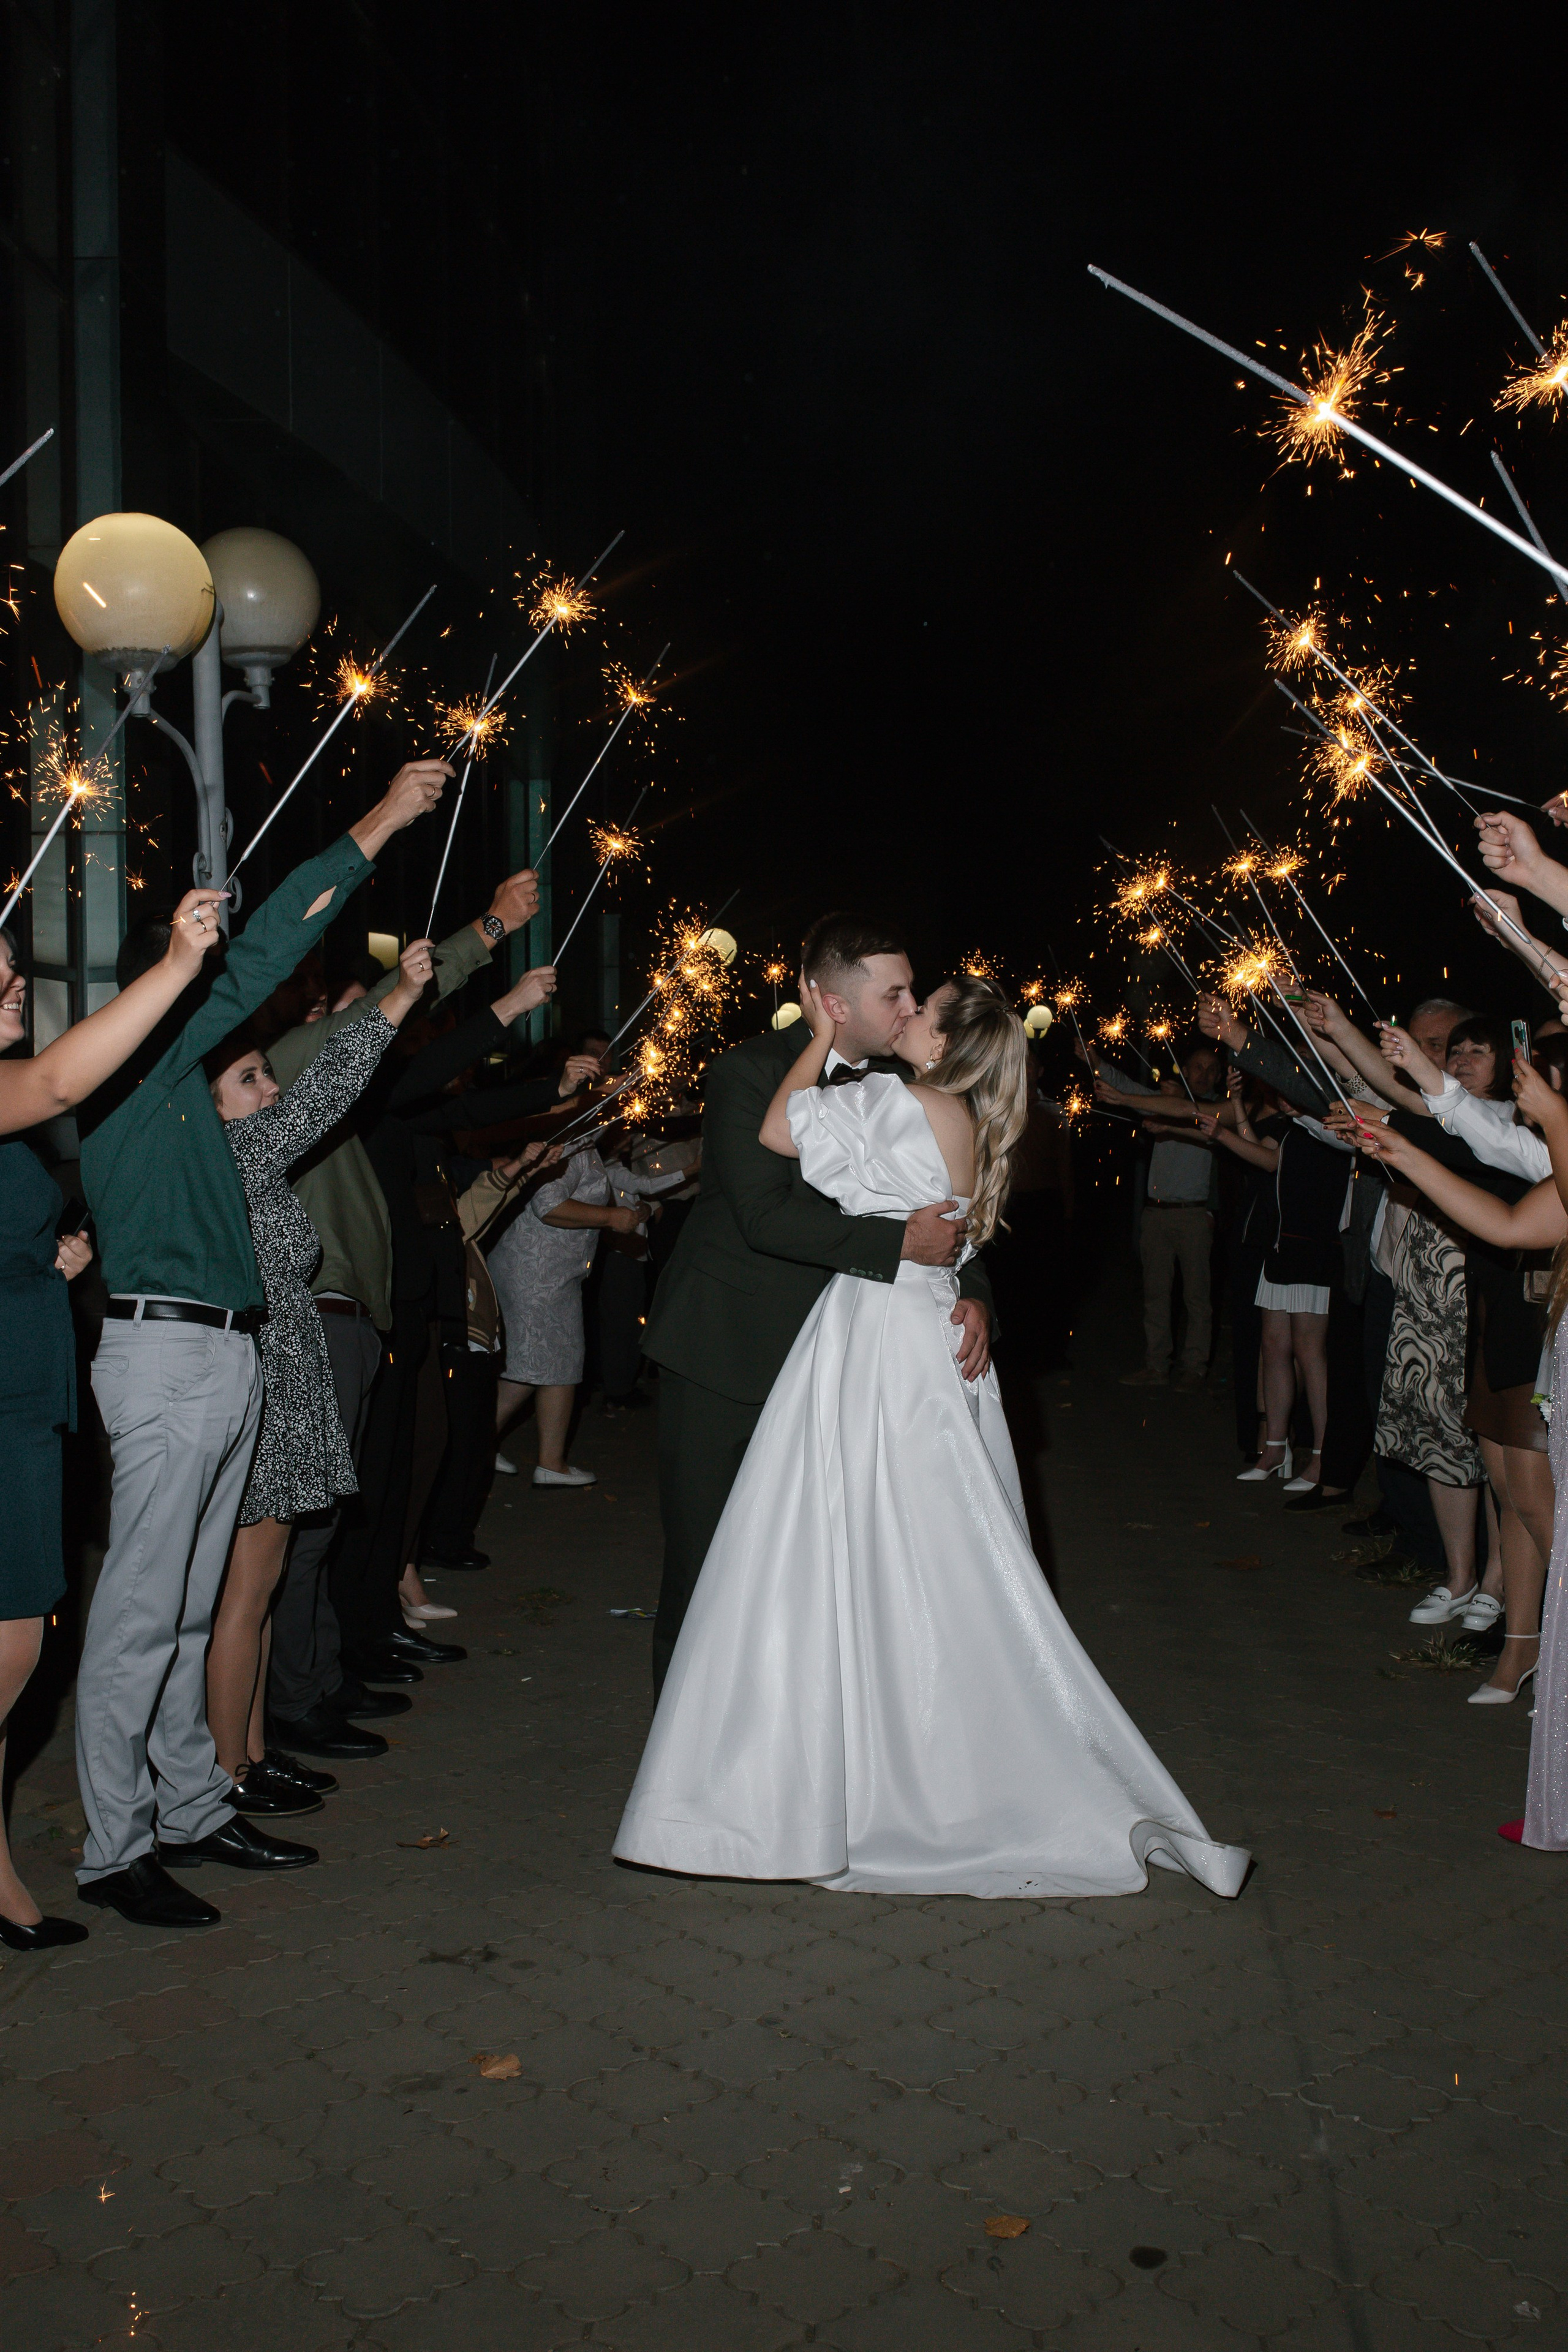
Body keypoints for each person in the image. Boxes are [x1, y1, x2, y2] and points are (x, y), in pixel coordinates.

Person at [615, 973, 1248, 1899]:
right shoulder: (965, 1114)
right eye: (901, 999)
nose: (906, 1013)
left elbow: (781, 1134)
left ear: (944, 1044)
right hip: (917, 1329)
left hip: (877, 1337)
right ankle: (925, 1753)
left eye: (922, 1008)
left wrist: (823, 1031)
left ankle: (854, 1774)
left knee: (848, 1544)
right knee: (929, 1548)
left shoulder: (900, 1099)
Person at [73, 758, 448, 1929]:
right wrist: (380, 822)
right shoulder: (134, 1072)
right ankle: (114, 1846)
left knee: (189, 1611)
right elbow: (267, 955)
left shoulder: (185, 1093)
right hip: (168, 1356)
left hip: (228, 1355)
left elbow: (293, 1065)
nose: (228, 1010)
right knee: (143, 1617)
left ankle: (192, 1807)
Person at [641, 914, 993, 1694]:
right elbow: (762, 1217)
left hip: (852, 1368)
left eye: (912, 992)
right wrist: (900, 1245)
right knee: (706, 1567)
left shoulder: (910, 1085)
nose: (910, 1008)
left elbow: (951, 1210)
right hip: (731, 1353)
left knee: (819, 1579)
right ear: (833, 1002)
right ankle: (684, 1744)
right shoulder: (746, 1072)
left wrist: (972, 1294)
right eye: (894, 994)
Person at [0, 891, 225, 1949]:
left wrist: (39, 1261)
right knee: (16, 1653)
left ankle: (4, 1878)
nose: (16, 985)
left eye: (16, 968)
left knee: (21, 1651)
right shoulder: (26, 1088)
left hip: (26, 1395)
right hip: (9, 1403)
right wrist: (177, 966)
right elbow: (60, 1079)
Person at [202, 940, 437, 1819]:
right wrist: (399, 998)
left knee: (264, 1589)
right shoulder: (237, 1156)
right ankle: (227, 1772)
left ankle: (256, 1750)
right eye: (252, 1080)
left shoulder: (254, 1163)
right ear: (212, 1107)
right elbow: (328, 1090)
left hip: (293, 1379)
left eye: (267, 1074)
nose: (271, 1090)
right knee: (246, 1592)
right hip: (273, 1381)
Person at [489, 1142, 649, 1485]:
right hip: (536, 1272)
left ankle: (545, 1461)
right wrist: (611, 1217)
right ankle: (479, 1447)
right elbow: (547, 1204)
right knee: (533, 1366)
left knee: (554, 1363)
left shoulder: (587, 1147)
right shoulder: (571, 1146)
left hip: (551, 1273)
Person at [1095, 1039, 1225, 1390]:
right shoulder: (1163, 1103)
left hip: (1194, 1214)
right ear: (1185, 1070)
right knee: (1156, 1295)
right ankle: (1156, 1366)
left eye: (1212, 1069)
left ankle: (1195, 1367)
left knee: (1197, 1297)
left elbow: (1210, 1130)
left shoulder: (1219, 1111)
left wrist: (1180, 1103)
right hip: (1156, 1213)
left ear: (1219, 1077)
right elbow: (1127, 1088)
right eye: (1198, 1067)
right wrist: (1096, 1061)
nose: (1204, 1074)